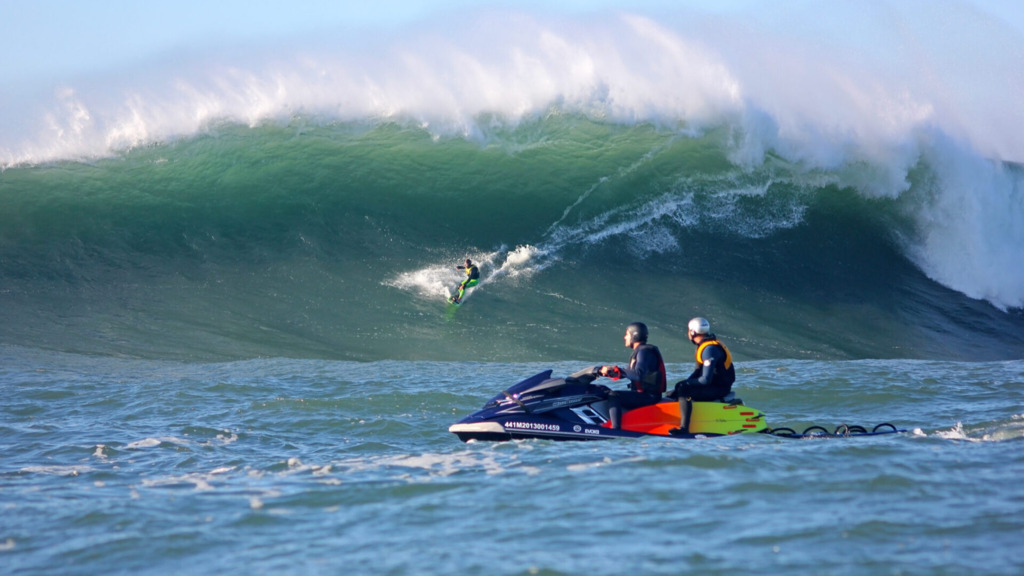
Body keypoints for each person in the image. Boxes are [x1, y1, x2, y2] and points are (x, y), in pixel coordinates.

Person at [668, 317, 736, 435]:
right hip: (715, 386)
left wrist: (684, 386)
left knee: (685, 391)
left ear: (693, 332)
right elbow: (697, 373)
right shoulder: (705, 346)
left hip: (719, 389)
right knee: (679, 389)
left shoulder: (709, 349)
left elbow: (705, 380)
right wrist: (679, 387)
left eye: (689, 331)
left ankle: (684, 428)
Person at [598, 322, 667, 429]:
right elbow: (630, 373)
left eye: (627, 334)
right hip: (644, 394)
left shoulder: (644, 352)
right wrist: (610, 372)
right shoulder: (640, 351)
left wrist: (618, 370)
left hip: (650, 397)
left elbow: (638, 374)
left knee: (613, 395)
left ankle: (615, 429)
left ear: (634, 336)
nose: (624, 337)